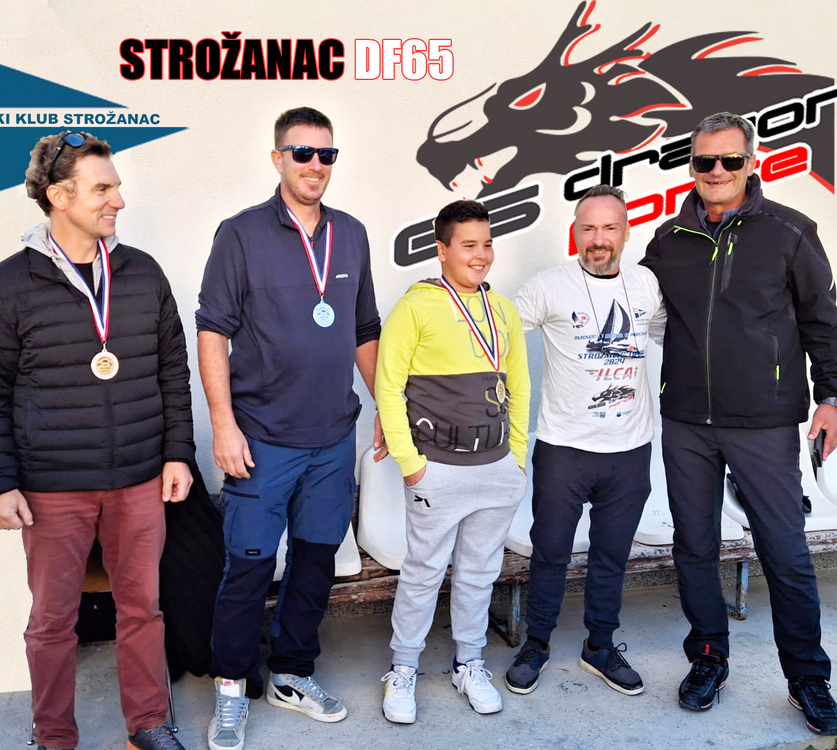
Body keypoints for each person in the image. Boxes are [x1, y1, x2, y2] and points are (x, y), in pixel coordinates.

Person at [0, 131, 194, 750]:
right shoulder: (9, 284)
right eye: (103, 189)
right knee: (52, 621)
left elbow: (172, 369)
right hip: (52, 487)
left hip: (138, 479)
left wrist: (177, 453)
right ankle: (54, 735)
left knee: (143, 611)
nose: (118, 199)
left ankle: (148, 725)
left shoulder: (142, 273)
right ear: (59, 196)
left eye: (116, 186)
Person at [641, 112, 837, 735]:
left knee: (784, 549)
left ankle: (807, 677)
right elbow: (632, 306)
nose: (717, 171)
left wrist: (831, 398)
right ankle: (708, 657)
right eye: (705, 161)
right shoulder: (668, 240)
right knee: (694, 546)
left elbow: (822, 320)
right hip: (687, 420)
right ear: (691, 166)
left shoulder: (790, 231)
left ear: (751, 163)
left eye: (730, 160)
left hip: (764, 420)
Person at [196, 106, 383, 750]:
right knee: (248, 566)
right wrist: (223, 425)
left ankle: (292, 674)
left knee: (315, 562)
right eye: (302, 152)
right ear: (277, 158)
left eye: (326, 154)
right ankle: (231, 688)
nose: (315, 165)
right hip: (262, 439)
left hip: (332, 439)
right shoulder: (241, 234)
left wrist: (388, 409)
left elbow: (363, 330)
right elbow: (213, 332)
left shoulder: (351, 234)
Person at [375, 199, 529, 723]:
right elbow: (388, 387)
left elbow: (520, 387)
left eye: (487, 244)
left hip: (496, 468)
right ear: (442, 250)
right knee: (422, 574)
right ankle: (403, 669)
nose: (480, 255)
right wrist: (411, 463)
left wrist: (517, 457)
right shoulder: (415, 306)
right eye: (468, 245)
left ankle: (469, 663)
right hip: (437, 469)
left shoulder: (502, 309)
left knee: (479, 574)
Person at [508, 185, 665, 698]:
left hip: (629, 449)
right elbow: (494, 332)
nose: (599, 239)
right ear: (575, 233)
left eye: (609, 228)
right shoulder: (548, 286)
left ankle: (599, 645)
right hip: (564, 448)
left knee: (611, 556)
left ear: (626, 232)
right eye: (588, 228)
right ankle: (536, 643)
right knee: (550, 553)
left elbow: (679, 336)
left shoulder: (645, 284)